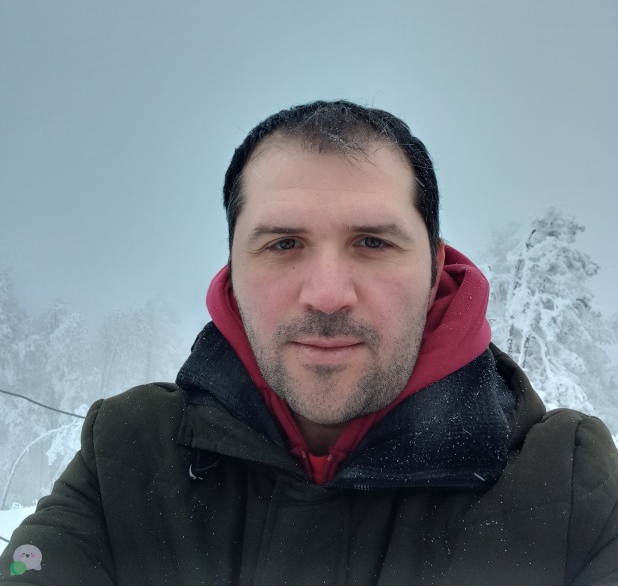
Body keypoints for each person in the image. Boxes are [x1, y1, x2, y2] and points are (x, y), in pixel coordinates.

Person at [2, 100, 617, 585]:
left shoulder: (569, 484)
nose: (326, 295)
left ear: (434, 270)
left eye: (372, 242)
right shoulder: (128, 454)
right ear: (233, 274)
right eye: (283, 244)